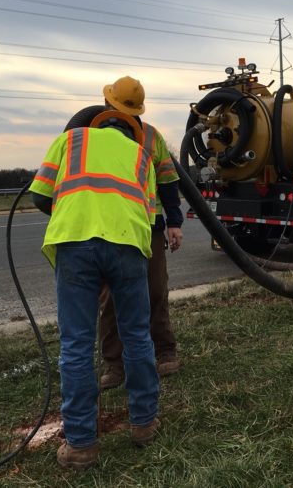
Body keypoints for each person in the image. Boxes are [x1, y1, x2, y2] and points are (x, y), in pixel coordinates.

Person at [30, 99, 160, 470]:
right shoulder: (142, 157)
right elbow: (146, 214)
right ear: (132, 131)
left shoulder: (72, 140)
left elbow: (41, 195)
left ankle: (82, 445)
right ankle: (144, 425)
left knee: (76, 344)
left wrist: (81, 219)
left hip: (75, 242)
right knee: (136, 335)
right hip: (128, 245)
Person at [95, 76, 184, 389]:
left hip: (148, 226)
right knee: (110, 299)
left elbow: (169, 182)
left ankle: (165, 352)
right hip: (108, 226)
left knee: (155, 291)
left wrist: (174, 222)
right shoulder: (92, 135)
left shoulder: (150, 137)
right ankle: (115, 365)